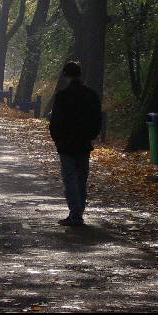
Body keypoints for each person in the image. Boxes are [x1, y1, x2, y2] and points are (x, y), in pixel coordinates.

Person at [49, 61, 102, 226]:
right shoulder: (91, 95)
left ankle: (75, 212)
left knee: (70, 178)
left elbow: (55, 121)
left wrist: (57, 139)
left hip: (66, 144)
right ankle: (78, 211)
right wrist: (91, 135)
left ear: (65, 75)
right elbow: (97, 119)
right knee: (81, 178)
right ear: (80, 74)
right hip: (83, 143)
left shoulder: (62, 96)